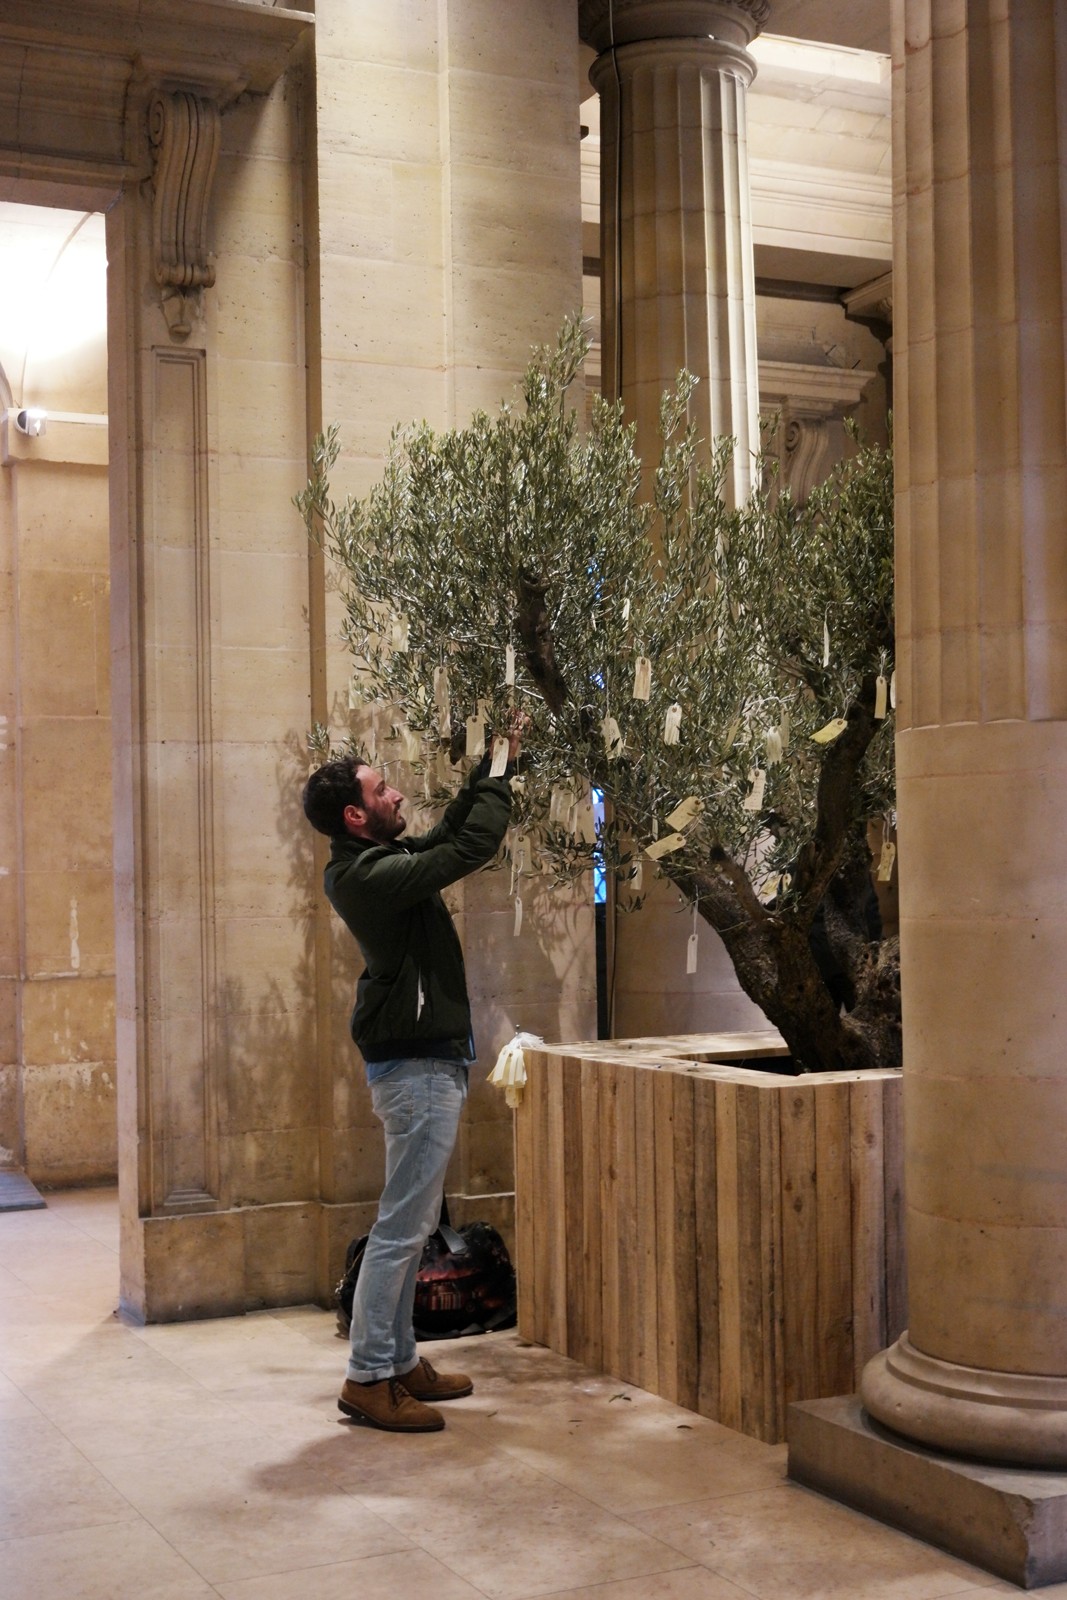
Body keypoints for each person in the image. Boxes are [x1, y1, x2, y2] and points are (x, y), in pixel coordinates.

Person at [301, 727, 521, 1432]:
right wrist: (498, 778)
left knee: (415, 1221)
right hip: (416, 1067)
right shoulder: (361, 877)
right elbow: (467, 848)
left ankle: (397, 1361)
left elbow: (445, 837)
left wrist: (490, 769)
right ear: (354, 818)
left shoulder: (381, 860)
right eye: (380, 789)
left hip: (426, 1061)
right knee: (401, 1227)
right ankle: (368, 1376)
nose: (395, 793)